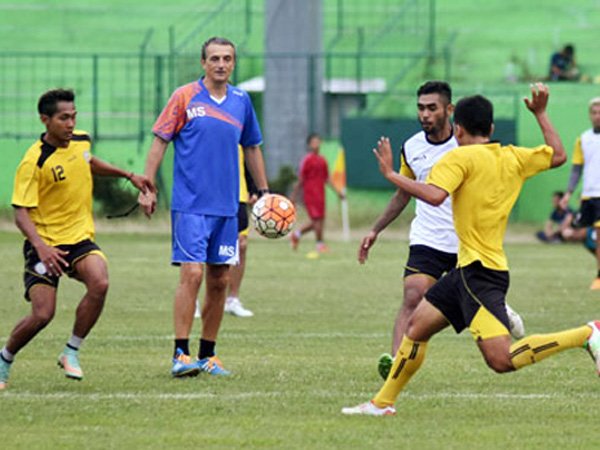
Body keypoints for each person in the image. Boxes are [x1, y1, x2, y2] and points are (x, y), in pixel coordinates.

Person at [342, 83, 600, 416]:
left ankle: (586, 334)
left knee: (501, 360)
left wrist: (392, 174)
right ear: (491, 128)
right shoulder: (512, 156)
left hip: (478, 275)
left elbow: (434, 196)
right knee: (416, 328)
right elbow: (559, 154)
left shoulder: (457, 157)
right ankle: (382, 403)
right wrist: (540, 113)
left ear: (458, 128)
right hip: (474, 270)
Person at [357, 81, 524, 381]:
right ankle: (396, 367)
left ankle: (494, 306)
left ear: (450, 110)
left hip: (466, 241)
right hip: (428, 238)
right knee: (412, 294)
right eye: (420, 108)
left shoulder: (468, 144)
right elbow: (404, 194)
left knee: (469, 312)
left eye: (432, 108)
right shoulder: (411, 148)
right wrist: (376, 229)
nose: (424, 114)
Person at [0, 88, 154, 390]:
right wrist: (41, 248)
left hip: (79, 238)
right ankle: (5, 358)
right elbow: (20, 213)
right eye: (63, 118)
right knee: (43, 315)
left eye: (73, 117)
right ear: (45, 120)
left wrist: (128, 175)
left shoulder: (81, 140)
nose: (70, 124)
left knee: (100, 282)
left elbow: (88, 161)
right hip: (45, 244)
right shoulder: (34, 162)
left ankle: (71, 351)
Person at [138, 37, 269, 377]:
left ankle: (208, 355)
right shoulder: (184, 97)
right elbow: (159, 141)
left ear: (234, 63)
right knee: (192, 273)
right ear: (203, 63)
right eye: (214, 58)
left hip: (227, 206)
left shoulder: (242, 101)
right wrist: (147, 187)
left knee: (220, 280)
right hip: (191, 204)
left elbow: (252, 147)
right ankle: (180, 355)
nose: (221, 64)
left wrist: (264, 191)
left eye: (227, 58)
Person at [559, 97, 600, 289]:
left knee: (599, 234)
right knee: (577, 234)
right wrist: (568, 193)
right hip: (587, 195)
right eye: (594, 112)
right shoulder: (583, 139)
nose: (597, 115)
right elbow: (577, 169)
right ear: (590, 115)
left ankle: (599, 277)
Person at [289, 133, 345, 254]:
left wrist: (338, 192)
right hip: (310, 193)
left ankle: (297, 235)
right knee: (316, 221)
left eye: (318, 141)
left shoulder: (322, 160)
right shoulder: (307, 160)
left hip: (320, 193)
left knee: (320, 220)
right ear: (309, 145)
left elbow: (327, 178)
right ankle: (319, 244)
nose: (316, 144)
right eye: (313, 142)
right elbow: (301, 179)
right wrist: (293, 196)